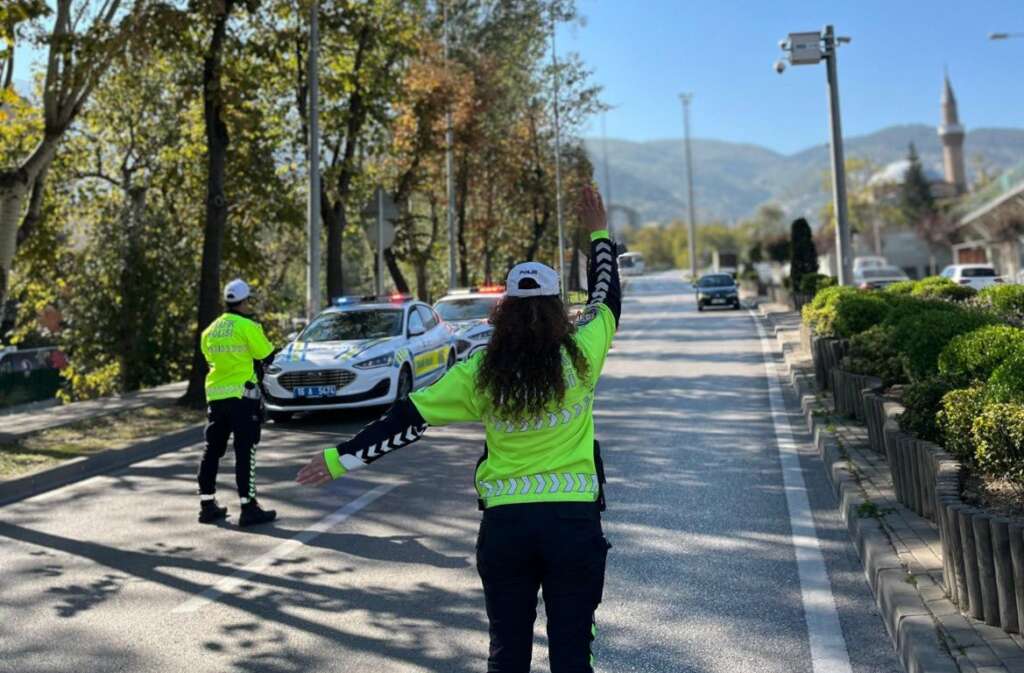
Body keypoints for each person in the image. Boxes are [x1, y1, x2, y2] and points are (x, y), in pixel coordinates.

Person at [297, 184, 621, 672]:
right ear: (559, 308)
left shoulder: (478, 373)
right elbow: (606, 296)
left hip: (506, 529)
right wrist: (599, 233)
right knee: (572, 655)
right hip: (573, 527)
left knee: (508, 654)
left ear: (504, 310)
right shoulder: (583, 354)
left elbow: (405, 420)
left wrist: (337, 459)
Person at [197, 278, 278, 527]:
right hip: (243, 399)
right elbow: (266, 355)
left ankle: (207, 505)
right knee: (245, 451)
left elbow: (211, 359)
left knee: (212, 450)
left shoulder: (209, 331)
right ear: (244, 302)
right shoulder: (247, 326)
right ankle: (248, 507)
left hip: (216, 398)